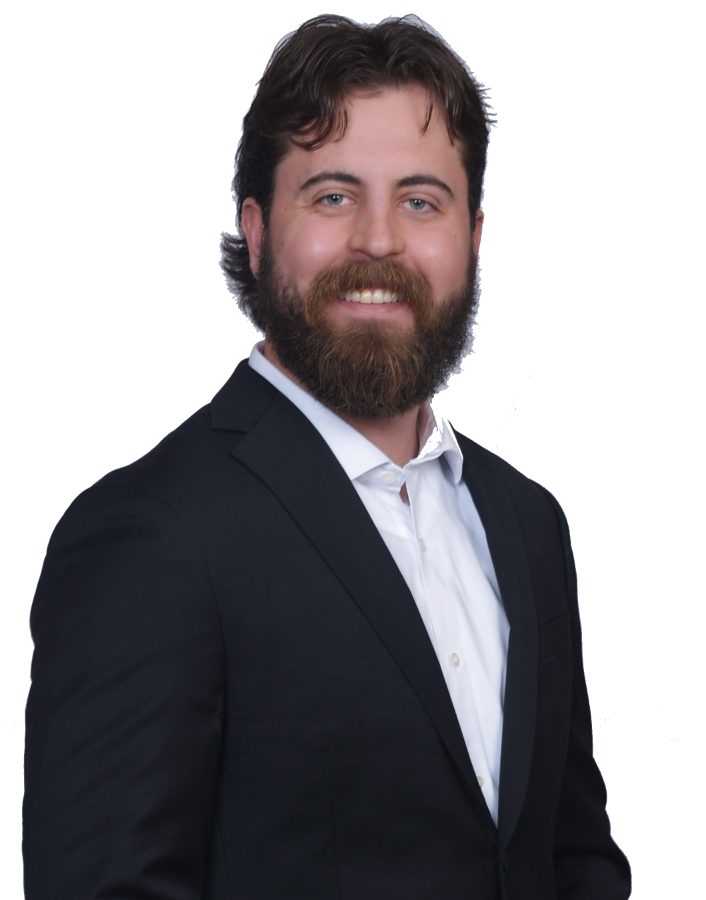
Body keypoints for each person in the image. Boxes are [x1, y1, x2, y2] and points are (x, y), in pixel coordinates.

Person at [23, 14, 631, 900]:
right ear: (258, 229)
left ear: (472, 235)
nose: (379, 240)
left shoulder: (528, 523)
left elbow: (571, 857)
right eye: (334, 196)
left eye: (421, 201)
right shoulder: (150, 537)